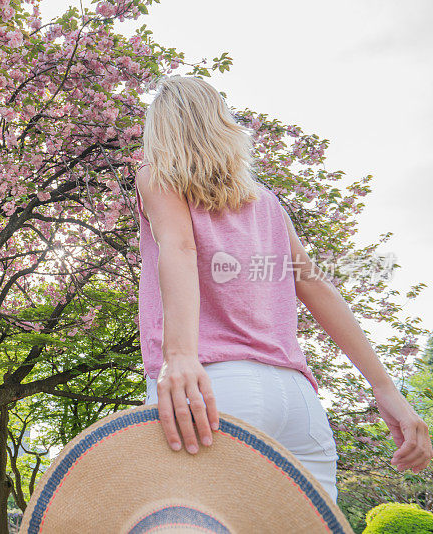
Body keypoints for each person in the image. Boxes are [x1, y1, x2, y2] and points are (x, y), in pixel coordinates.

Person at [135, 74, 432, 503]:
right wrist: (387, 389)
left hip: (214, 387)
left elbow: (179, 246)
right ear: (222, 124)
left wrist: (179, 356)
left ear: (159, 129)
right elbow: (317, 287)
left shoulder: (156, 176)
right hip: (297, 400)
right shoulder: (266, 201)